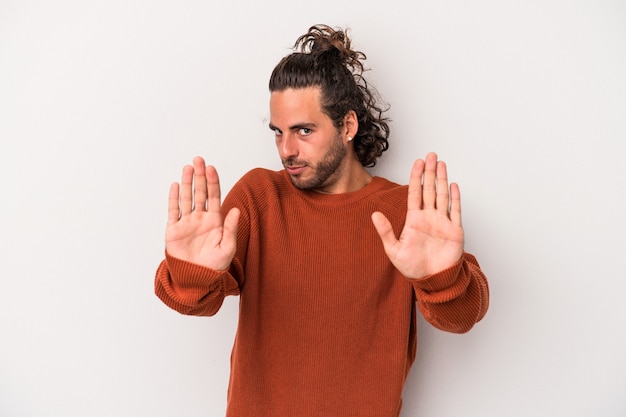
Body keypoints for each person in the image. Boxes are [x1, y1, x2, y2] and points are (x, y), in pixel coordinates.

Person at [154, 24, 489, 417]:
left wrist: (443, 278)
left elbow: (463, 317)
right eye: (278, 132)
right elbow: (192, 303)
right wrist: (191, 273)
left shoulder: (406, 212)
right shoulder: (259, 197)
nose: (287, 149)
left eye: (304, 131)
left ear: (347, 126)